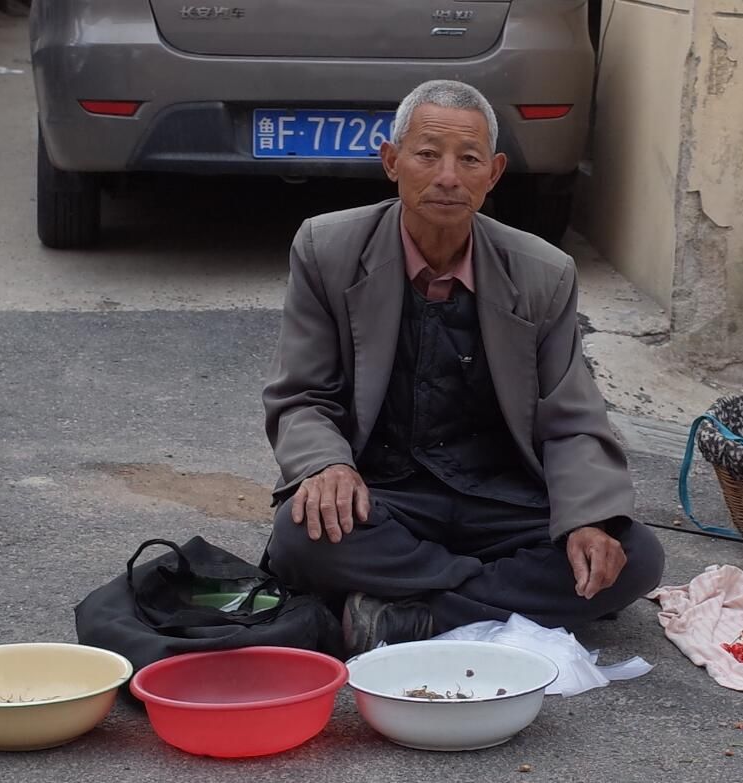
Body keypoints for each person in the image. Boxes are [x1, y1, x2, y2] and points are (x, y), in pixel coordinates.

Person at [262, 80, 664, 655]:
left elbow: (571, 416)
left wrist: (588, 519)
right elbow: (302, 394)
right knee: (301, 536)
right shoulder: (327, 249)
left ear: (493, 173)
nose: (448, 176)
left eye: (469, 159)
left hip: (500, 500)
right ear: (392, 161)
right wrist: (326, 464)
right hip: (386, 494)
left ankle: (415, 614)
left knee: (634, 557)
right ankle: (488, 598)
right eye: (427, 154)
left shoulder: (542, 273)